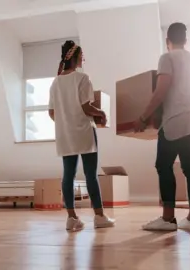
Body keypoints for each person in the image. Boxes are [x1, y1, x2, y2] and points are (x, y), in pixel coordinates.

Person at [134, 22, 190, 232]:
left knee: (163, 165)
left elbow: (161, 92)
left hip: (175, 120)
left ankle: (168, 218)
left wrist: (143, 117)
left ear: (168, 41)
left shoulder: (167, 58)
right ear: (185, 41)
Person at [48, 40, 115, 231]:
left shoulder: (55, 82)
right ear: (76, 57)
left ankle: (71, 218)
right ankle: (100, 216)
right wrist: (101, 113)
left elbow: (52, 113)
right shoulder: (83, 78)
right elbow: (86, 107)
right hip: (84, 132)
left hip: (65, 135)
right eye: (82, 55)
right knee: (90, 175)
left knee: (68, 175)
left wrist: (66, 123)